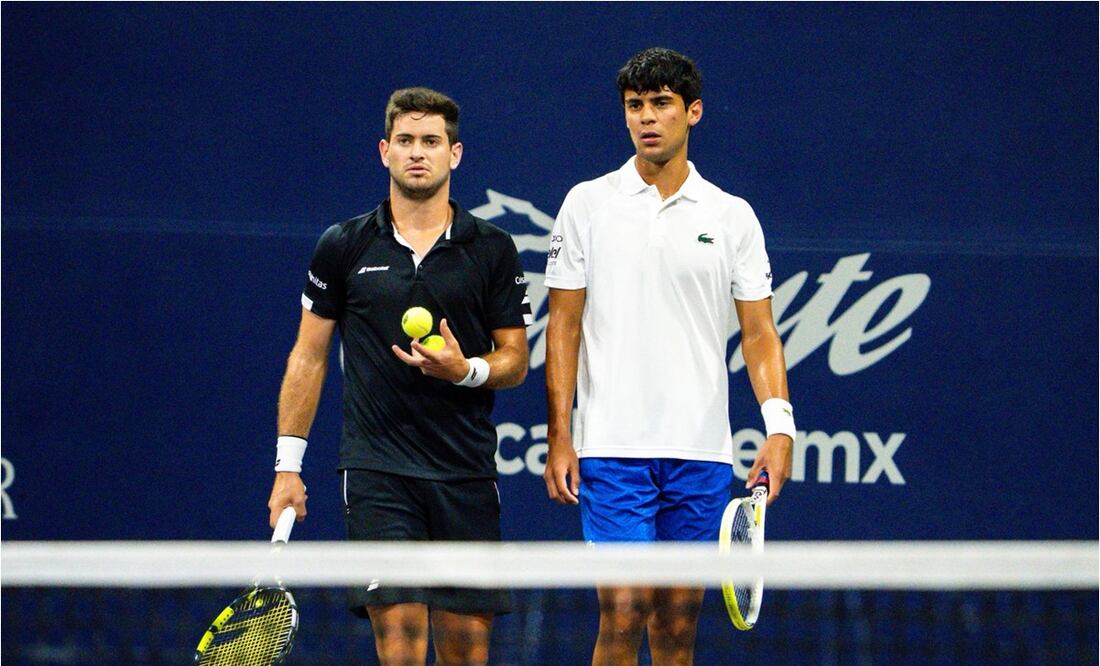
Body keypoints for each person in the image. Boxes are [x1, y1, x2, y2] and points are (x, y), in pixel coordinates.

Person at [543, 48, 796, 665]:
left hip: (700, 452)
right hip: (612, 449)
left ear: (693, 112)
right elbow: (563, 326)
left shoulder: (732, 216)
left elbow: (759, 332)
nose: (646, 118)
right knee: (624, 611)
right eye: (635, 106)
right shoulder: (587, 204)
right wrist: (560, 436)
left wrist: (780, 427)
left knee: (677, 624)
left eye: (661, 104)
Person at [267, 87, 531, 666]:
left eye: (431, 142)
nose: (418, 153)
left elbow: (516, 358)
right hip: (377, 471)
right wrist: (288, 468)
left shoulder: (493, 249)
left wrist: (467, 371)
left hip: (463, 471)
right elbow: (308, 356)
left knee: (466, 652)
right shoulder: (343, 245)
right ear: (385, 151)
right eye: (406, 141)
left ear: (454, 154)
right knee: (403, 642)